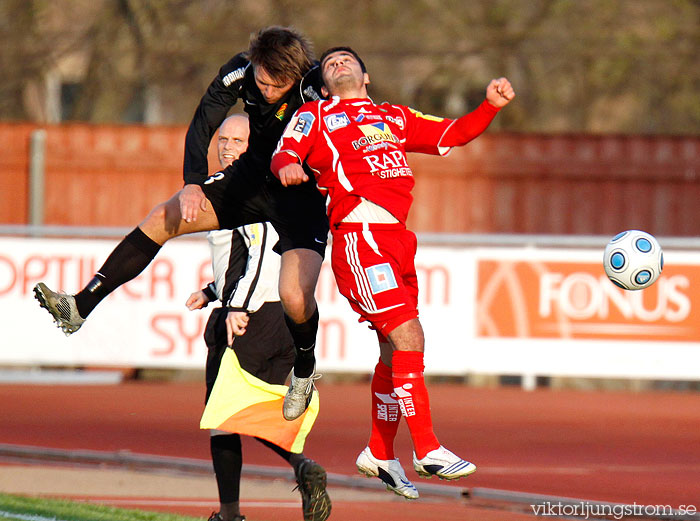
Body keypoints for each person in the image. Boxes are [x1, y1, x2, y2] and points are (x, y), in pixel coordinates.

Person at [33, 26, 329, 420]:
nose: (268, 92)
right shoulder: (240, 69)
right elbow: (204, 120)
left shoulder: (315, 85)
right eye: (263, 83)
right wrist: (193, 182)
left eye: (278, 87)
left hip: (300, 192)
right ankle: (79, 306)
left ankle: (304, 373)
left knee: (294, 296)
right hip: (251, 180)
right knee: (163, 217)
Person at [270, 47, 515, 499]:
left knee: (392, 350)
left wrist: (490, 107)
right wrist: (287, 164)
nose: (339, 63)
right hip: (360, 237)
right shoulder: (316, 114)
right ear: (324, 85)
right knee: (409, 337)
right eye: (330, 64)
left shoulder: (393, 116)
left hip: (399, 241)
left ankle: (380, 452)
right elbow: (286, 151)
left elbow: (452, 134)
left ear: (367, 74)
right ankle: (427, 448)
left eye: (347, 59)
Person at [187, 114, 330, 521]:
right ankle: (296, 471)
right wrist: (213, 290)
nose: (227, 146)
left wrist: (235, 306)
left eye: (238, 140)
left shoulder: (250, 187)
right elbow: (242, 258)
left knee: (224, 417)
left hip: (252, 316)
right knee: (247, 410)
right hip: (280, 317)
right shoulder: (255, 185)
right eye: (223, 139)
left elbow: (266, 246)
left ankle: (236, 510)